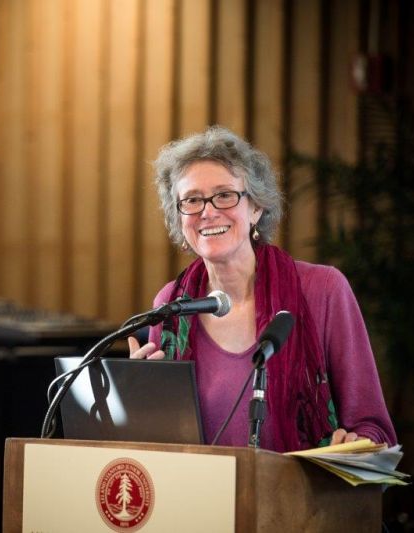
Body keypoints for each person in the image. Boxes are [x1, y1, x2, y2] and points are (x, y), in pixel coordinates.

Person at [128, 125, 396, 452]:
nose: (208, 212)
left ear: (255, 208)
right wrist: (140, 404)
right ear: (179, 218)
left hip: (301, 485)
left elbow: (374, 429)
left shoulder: (322, 290)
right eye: (192, 200)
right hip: (200, 486)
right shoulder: (171, 305)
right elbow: (161, 445)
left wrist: (356, 444)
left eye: (224, 195)